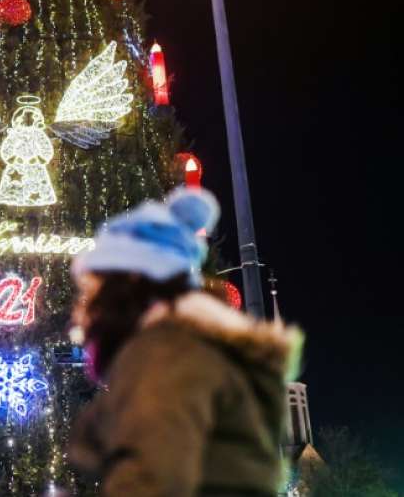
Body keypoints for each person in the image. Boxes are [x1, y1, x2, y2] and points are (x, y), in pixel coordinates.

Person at [67, 188, 303, 497]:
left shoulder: (165, 352)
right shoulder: (197, 346)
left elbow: (153, 477)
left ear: (130, 284)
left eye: (94, 290)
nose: (83, 308)